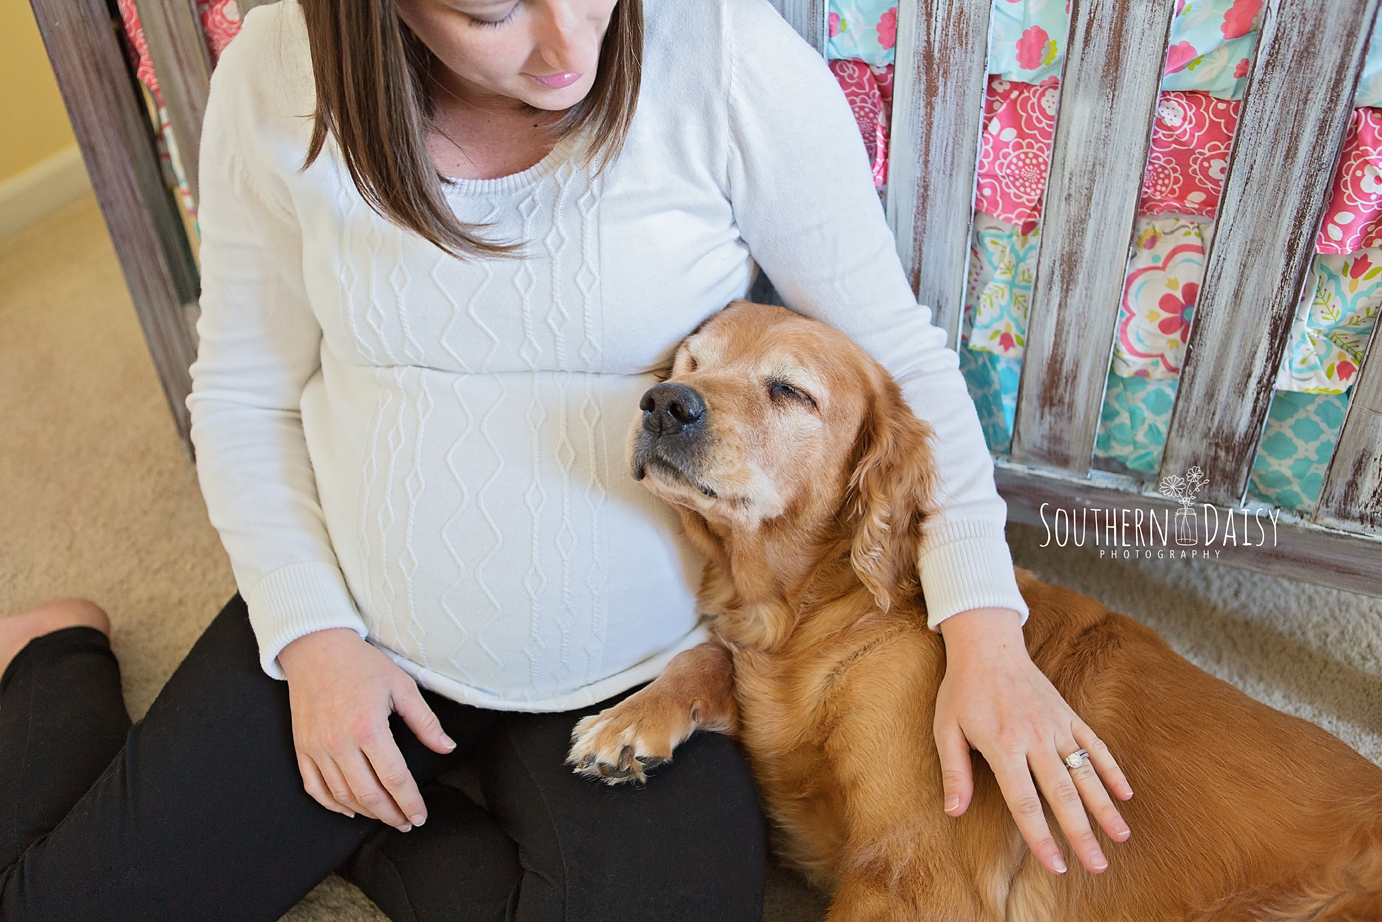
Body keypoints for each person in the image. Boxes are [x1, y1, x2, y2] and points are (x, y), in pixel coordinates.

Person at [0, 0, 1134, 918]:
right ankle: (52, 656)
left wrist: (985, 631)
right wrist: (312, 640)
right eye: (493, 11)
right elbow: (244, 394)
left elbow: (903, 369)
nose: (567, 45)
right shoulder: (274, 77)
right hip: (355, 632)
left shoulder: (724, 53)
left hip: (640, 670)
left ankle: (389, 814)